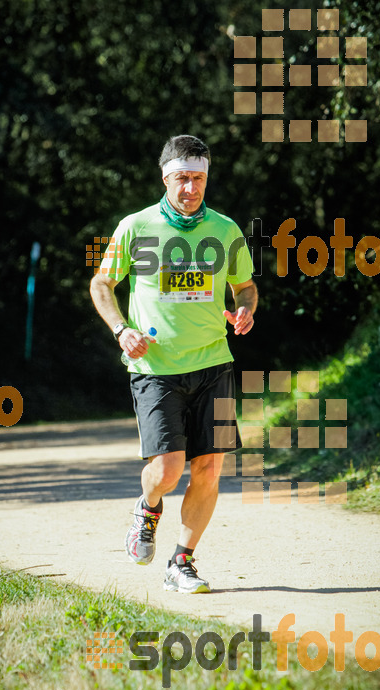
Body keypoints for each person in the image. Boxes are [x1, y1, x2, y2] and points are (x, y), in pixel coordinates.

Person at [90, 134, 257, 593]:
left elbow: (244, 286)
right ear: (165, 178)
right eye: (182, 178)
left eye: (198, 178)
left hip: (214, 363)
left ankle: (181, 561)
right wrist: (121, 330)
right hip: (154, 369)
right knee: (167, 469)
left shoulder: (225, 231)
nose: (190, 188)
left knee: (208, 468)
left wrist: (246, 308)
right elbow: (102, 284)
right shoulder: (137, 227)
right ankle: (148, 508)